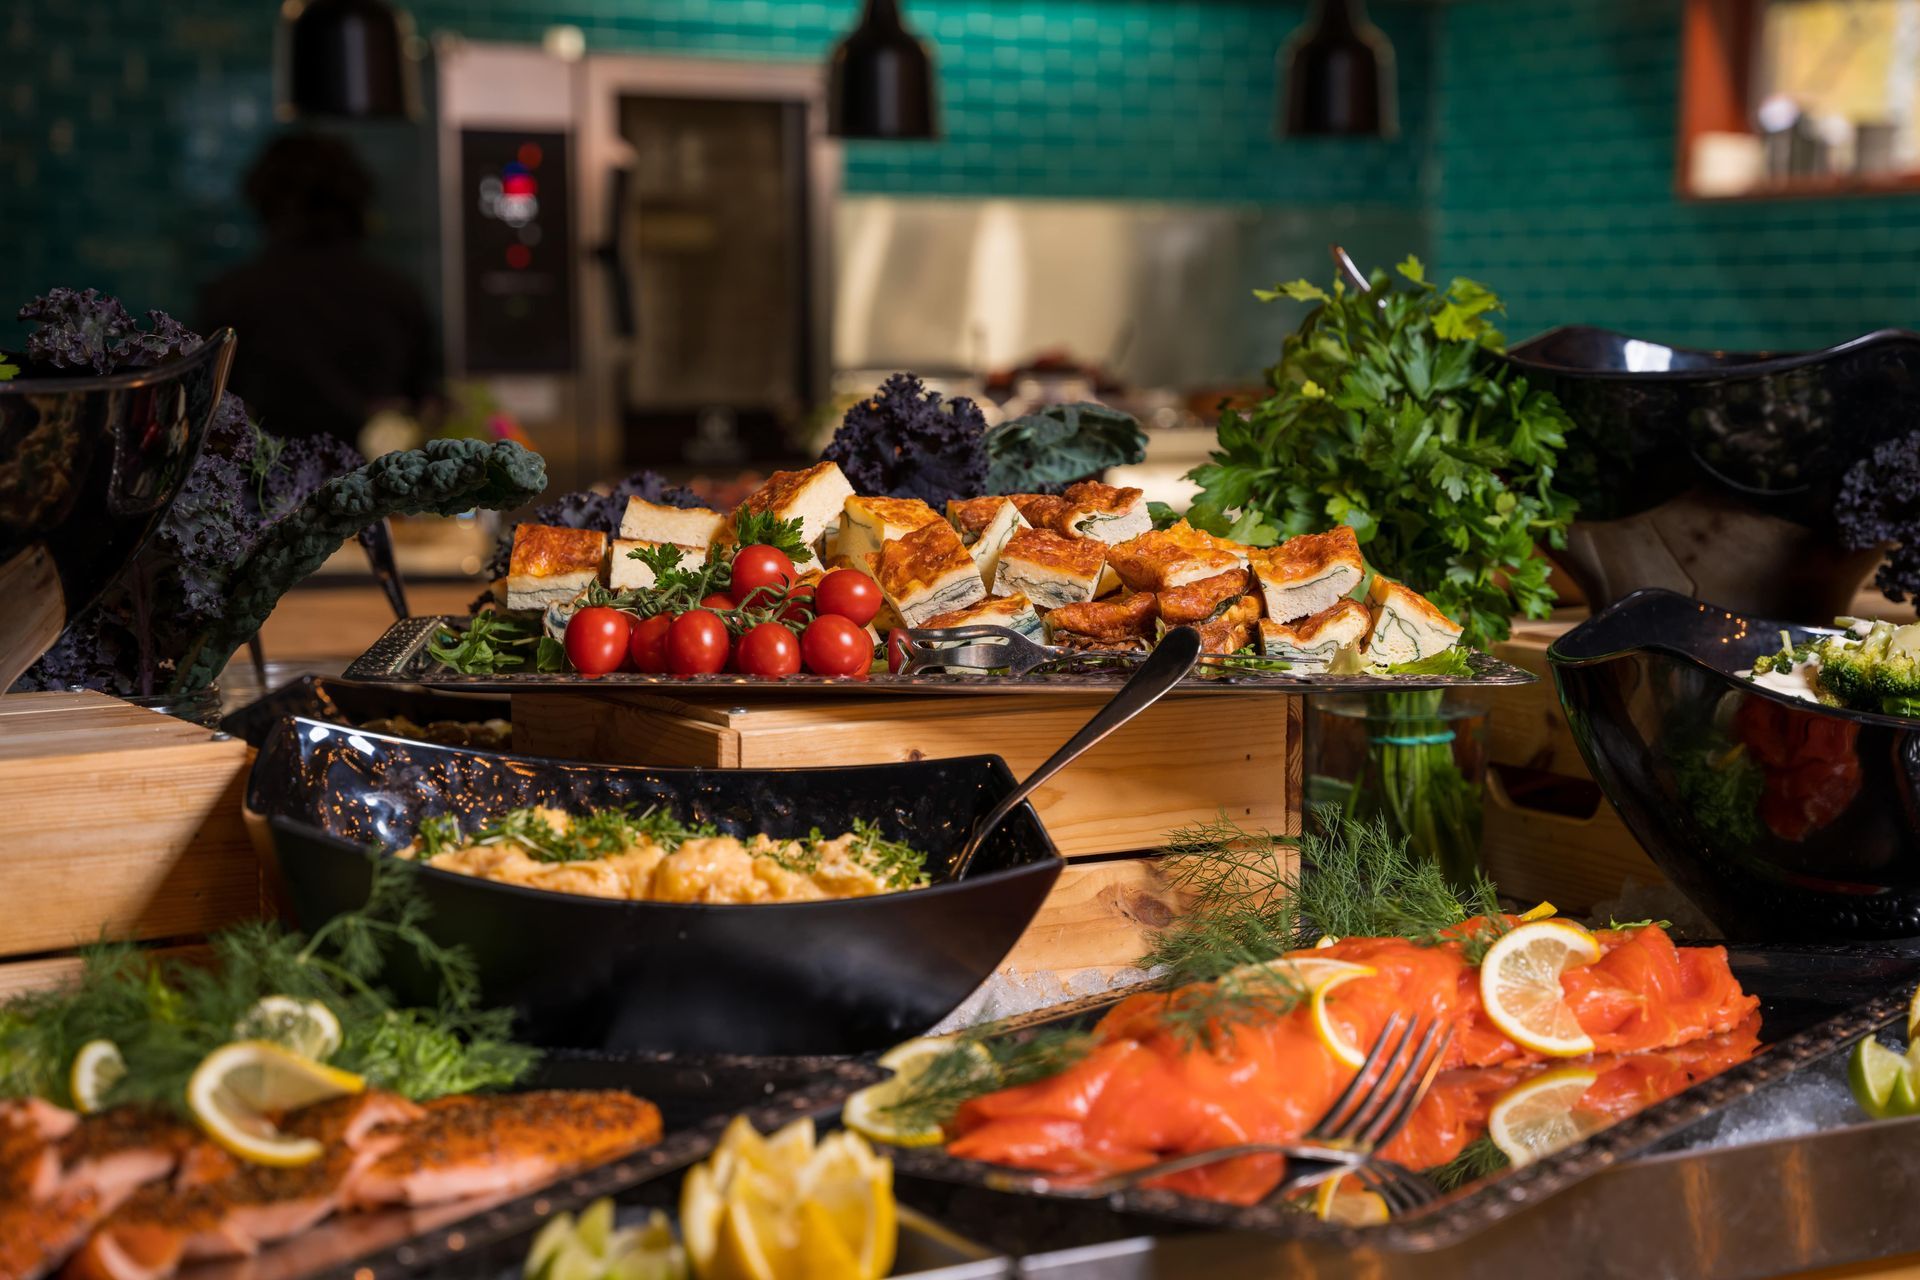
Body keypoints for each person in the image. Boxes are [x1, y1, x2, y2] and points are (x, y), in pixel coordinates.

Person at [198, 132, 438, 445]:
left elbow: (205, 407)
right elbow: (424, 401)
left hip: (265, 484)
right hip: (374, 482)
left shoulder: (232, 293)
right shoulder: (399, 293)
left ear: (264, 201)